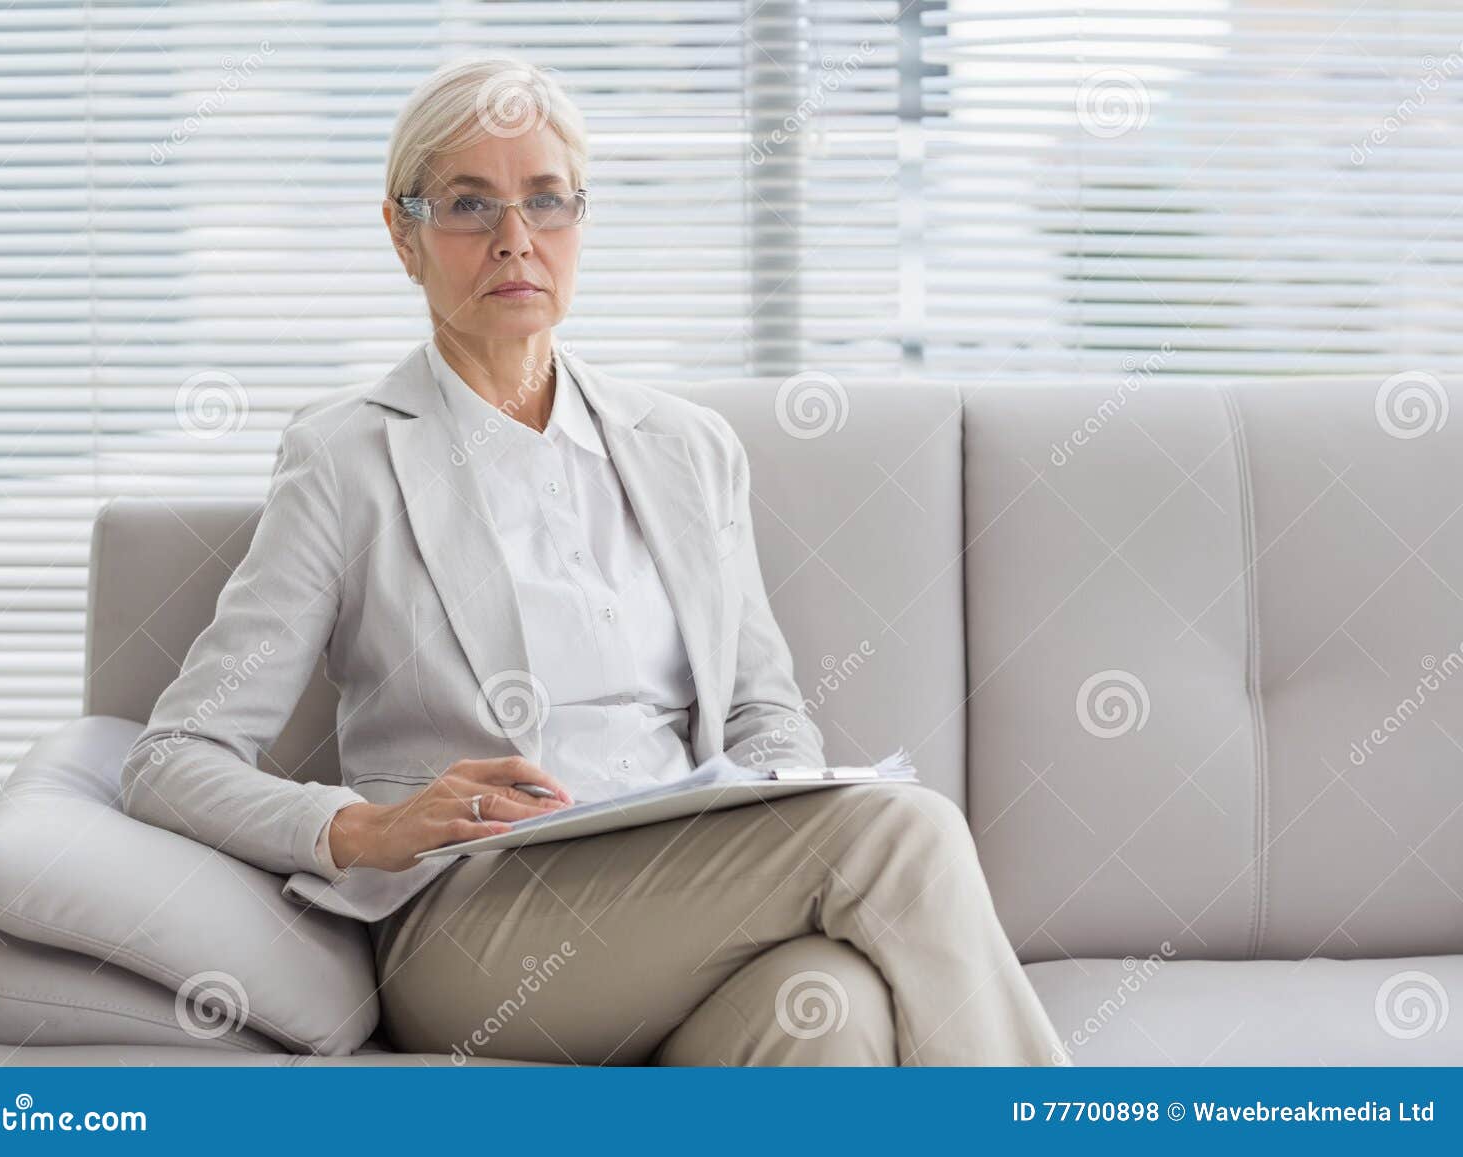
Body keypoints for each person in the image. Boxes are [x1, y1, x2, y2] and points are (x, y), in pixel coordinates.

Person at [120, 52, 1070, 1067]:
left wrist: (761, 796)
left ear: (582, 220)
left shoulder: (686, 447)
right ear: (403, 234)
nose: (515, 241)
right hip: (476, 924)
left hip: (687, 897)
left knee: (826, 1003)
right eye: (469, 206)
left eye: (546, 202)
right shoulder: (344, 458)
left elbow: (762, 705)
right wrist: (363, 825)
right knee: (901, 831)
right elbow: (171, 761)